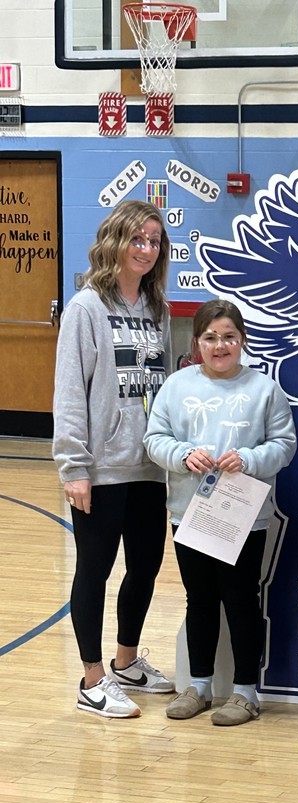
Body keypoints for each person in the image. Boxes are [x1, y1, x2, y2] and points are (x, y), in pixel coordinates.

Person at [144, 299, 297, 726]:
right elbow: (154, 438)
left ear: (242, 341)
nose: (220, 345)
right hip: (188, 514)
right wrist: (182, 454)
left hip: (243, 516)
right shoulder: (176, 386)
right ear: (196, 343)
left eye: (229, 336)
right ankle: (199, 687)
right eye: (210, 337)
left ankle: (246, 693)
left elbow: (284, 446)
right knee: (200, 601)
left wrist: (248, 459)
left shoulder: (264, 389)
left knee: (242, 600)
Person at [53, 199, 174, 719]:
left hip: (148, 465)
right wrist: (74, 467)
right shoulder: (86, 307)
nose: (146, 249)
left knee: (145, 566)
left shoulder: (159, 309)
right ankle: (92, 680)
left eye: (153, 240)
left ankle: (126, 662)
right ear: (115, 241)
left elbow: (162, 389)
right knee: (95, 570)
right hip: (101, 469)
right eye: (137, 239)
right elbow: (69, 392)